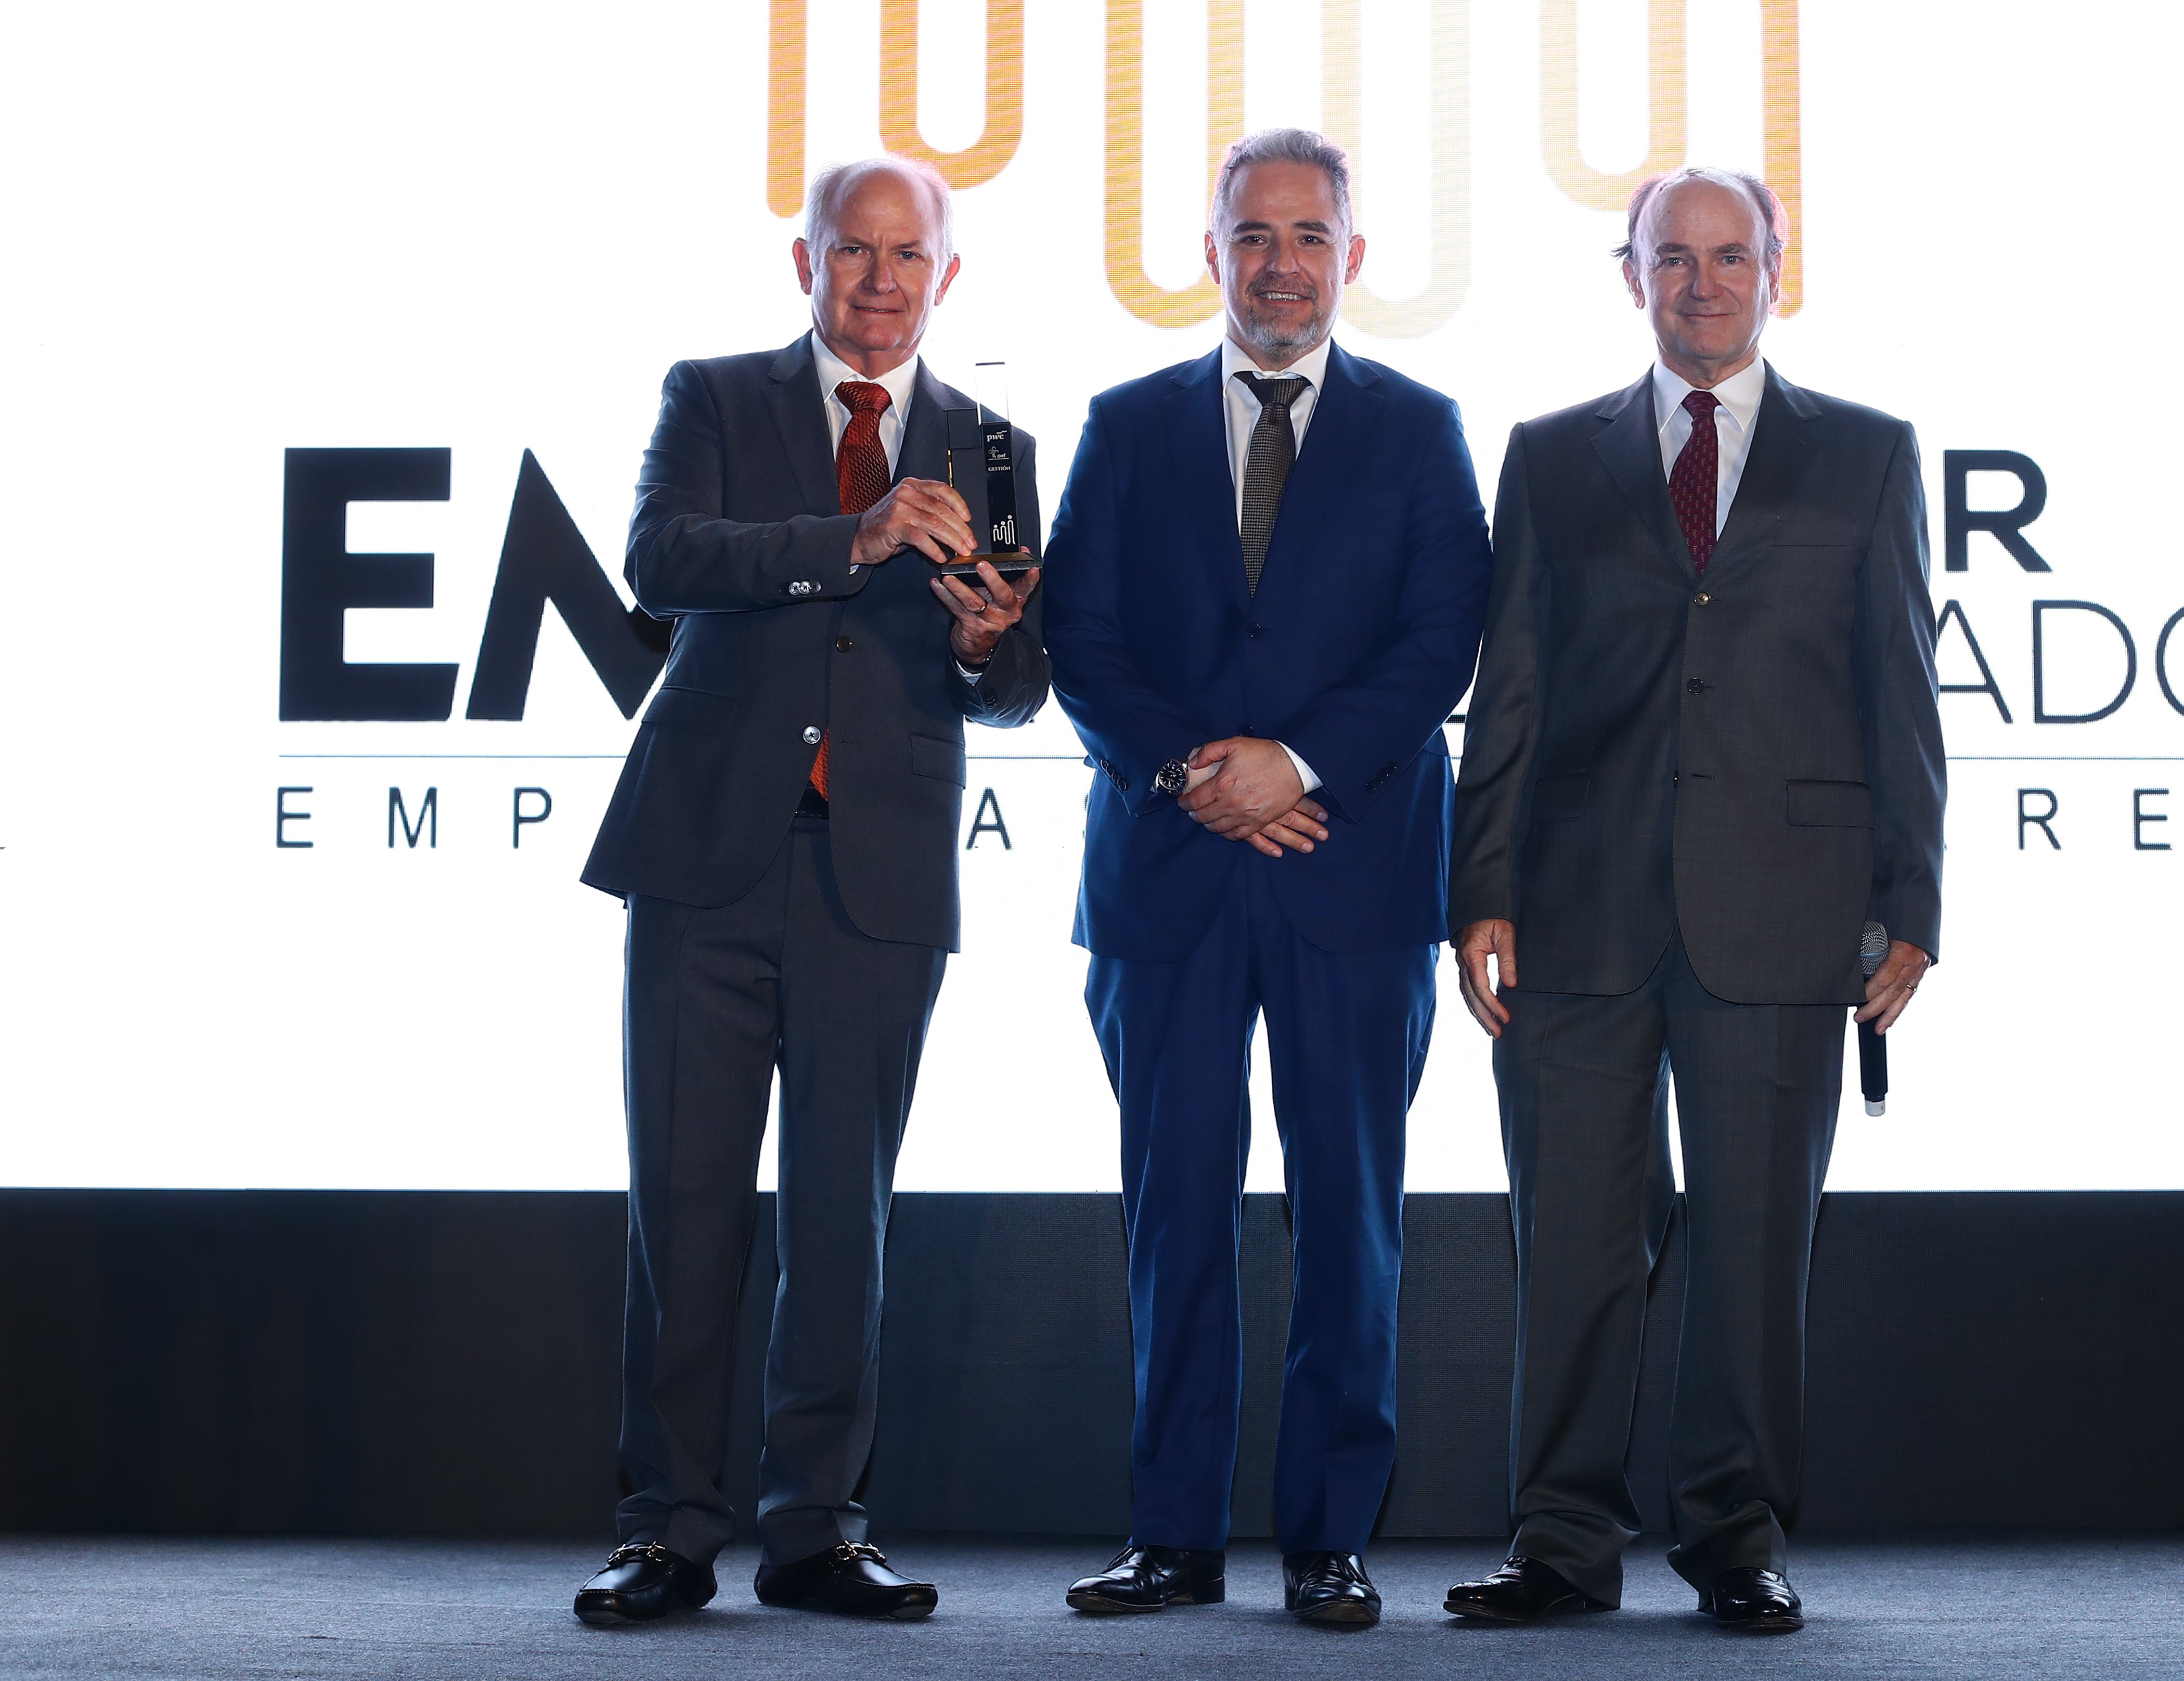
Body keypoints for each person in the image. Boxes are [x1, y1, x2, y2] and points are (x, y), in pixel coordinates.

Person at [1442, 167, 1945, 1634]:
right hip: (1575, 911)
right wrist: (1478, 888)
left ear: (1777, 269)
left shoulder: (1866, 456)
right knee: (1576, 1250)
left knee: (1750, 1244)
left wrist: (1910, 901)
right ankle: (1561, 1545)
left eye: (1733, 257)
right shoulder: (1547, 455)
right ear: (1633, 276)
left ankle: (1736, 1537)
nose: (1705, 283)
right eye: (1678, 259)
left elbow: (1898, 692)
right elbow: (1509, 694)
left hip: (1787, 913)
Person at [571, 154, 1047, 1625]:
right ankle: (666, 1528)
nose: (882, 280)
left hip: (878, 879)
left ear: (947, 278)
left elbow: (1024, 685)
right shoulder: (714, 396)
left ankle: (816, 1531)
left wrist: (986, 643)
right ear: (806, 262)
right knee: (687, 1210)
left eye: (911, 257)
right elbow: (660, 558)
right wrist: (855, 538)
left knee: (845, 1216)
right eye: (856, 252)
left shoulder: (1000, 443)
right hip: (706, 863)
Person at [1043, 128, 1491, 1627]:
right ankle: (1170, 1536)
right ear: (1211, 251)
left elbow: (1442, 641)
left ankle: (1326, 1540)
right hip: (1167, 878)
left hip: (1349, 875)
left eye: (1310, 236)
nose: (1282, 262)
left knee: (1349, 1216)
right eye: (1254, 235)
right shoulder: (1122, 424)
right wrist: (1193, 776)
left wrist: (1293, 767)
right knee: (1172, 1213)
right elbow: (1080, 645)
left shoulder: (1423, 430)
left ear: (1352, 260)